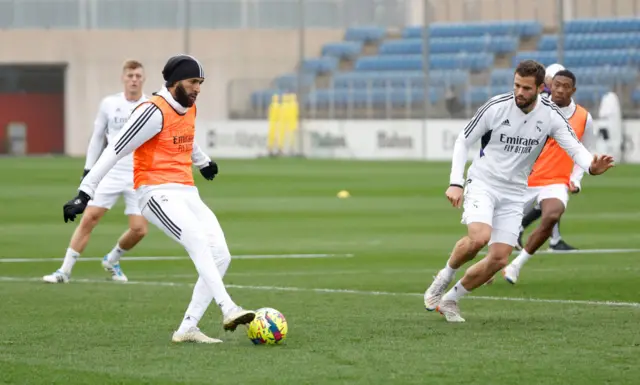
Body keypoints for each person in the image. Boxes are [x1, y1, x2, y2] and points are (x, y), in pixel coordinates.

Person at [61, 54, 256, 343]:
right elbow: (114, 150)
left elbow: (186, 137)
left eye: (200, 83)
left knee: (221, 255)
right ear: (175, 81)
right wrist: (84, 193)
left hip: (187, 191)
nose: (198, 88)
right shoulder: (151, 111)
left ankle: (188, 328)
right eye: (193, 82)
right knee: (198, 241)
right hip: (154, 193)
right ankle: (228, 307)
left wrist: (203, 162)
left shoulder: (189, 106)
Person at [423, 60, 614, 323]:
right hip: (484, 182)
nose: (519, 92)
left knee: (500, 258)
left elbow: (574, 147)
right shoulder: (496, 106)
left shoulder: (550, 115)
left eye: (526, 88)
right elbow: (463, 140)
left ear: (539, 89)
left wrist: (591, 167)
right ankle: (443, 277)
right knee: (479, 238)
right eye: (516, 85)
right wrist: (456, 181)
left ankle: (451, 299)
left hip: (514, 191)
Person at [43, 60, 149, 284]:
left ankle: (111, 259)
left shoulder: (150, 106)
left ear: (144, 79)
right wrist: (88, 171)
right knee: (89, 218)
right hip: (110, 172)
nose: (134, 80)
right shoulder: (109, 104)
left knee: (139, 230)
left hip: (138, 175)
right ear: (123, 78)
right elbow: (97, 138)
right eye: (130, 75)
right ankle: (64, 271)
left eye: (138, 76)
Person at [503, 69, 596, 284]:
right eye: (557, 85)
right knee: (485, 235)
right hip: (524, 179)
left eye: (566, 86)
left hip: (555, 181)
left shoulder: (584, 117)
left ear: (573, 90)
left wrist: (576, 179)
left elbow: (585, 151)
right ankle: (469, 271)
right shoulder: (532, 108)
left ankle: (516, 265)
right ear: (549, 86)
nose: (561, 90)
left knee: (552, 215)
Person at [516, 62, 577, 251]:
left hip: (543, 156)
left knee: (550, 201)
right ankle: (516, 228)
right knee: (545, 199)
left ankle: (551, 238)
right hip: (539, 158)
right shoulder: (543, 101)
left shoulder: (545, 100)